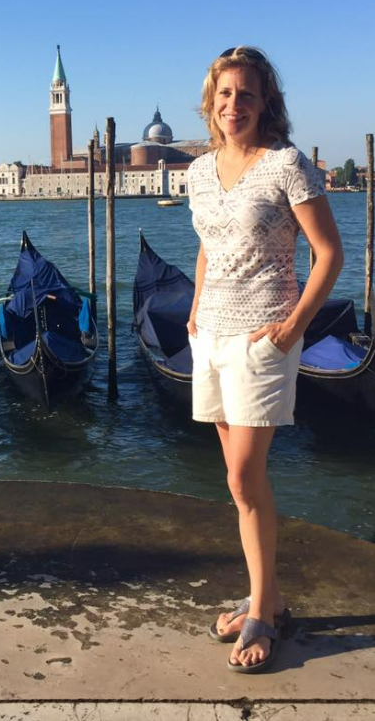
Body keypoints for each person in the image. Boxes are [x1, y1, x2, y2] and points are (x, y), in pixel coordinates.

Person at [186, 46, 343, 674]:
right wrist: (195, 308)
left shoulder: (285, 165)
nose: (234, 105)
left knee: (244, 479)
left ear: (265, 101)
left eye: (246, 94)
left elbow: (328, 253)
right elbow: (207, 244)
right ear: (212, 102)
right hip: (210, 338)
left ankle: (260, 610)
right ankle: (268, 598)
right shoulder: (198, 172)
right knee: (238, 480)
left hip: (262, 340)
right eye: (225, 95)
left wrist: (291, 328)